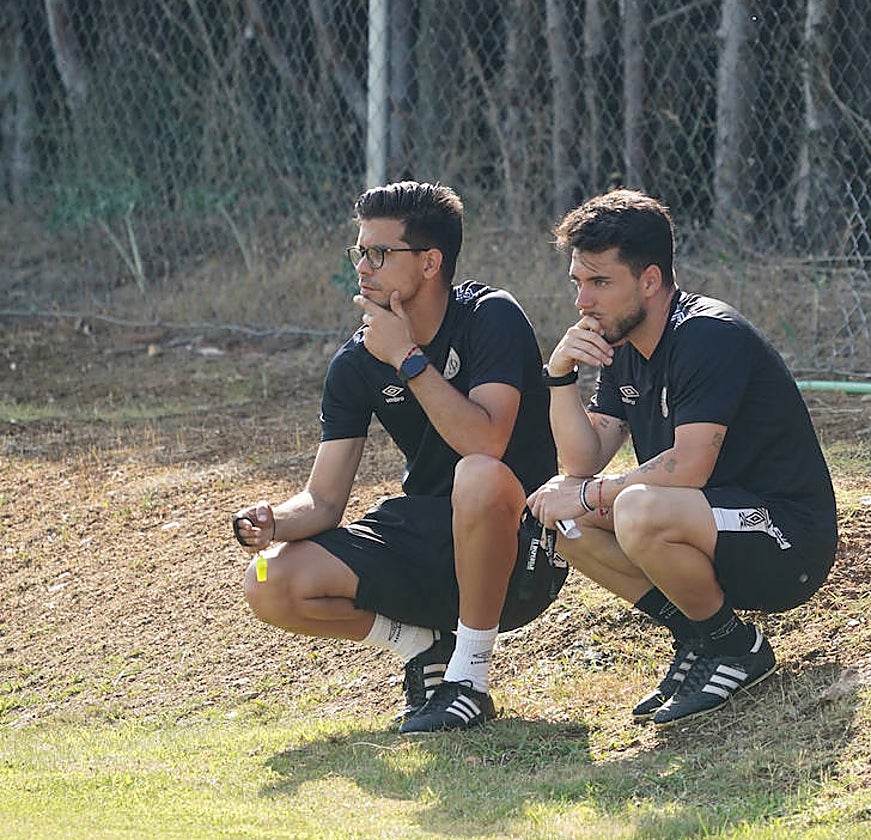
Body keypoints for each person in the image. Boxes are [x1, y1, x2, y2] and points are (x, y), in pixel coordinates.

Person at [232, 181, 564, 733]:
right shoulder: (356, 363)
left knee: (477, 476)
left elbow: (486, 444)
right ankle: (421, 646)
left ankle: (469, 680)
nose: (363, 266)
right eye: (359, 251)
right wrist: (273, 522)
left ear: (431, 262)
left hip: (519, 545)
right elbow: (322, 499)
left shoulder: (490, 317)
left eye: (380, 253)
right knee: (270, 579)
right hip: (427, 535)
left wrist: (408, 358)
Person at [526, 189, 838, 727]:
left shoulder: (706, 335)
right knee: (567, 521)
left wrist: (587, 492)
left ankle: (736, 648)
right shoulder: (621, 343)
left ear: (649, 280)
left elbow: (688, 466)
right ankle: (702, 638)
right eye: (579, 282)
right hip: (710, 527)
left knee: (635, 509)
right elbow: (583, 462)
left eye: (600, 282)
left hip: (786, 537)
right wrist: (559, 377)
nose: (583, 301)